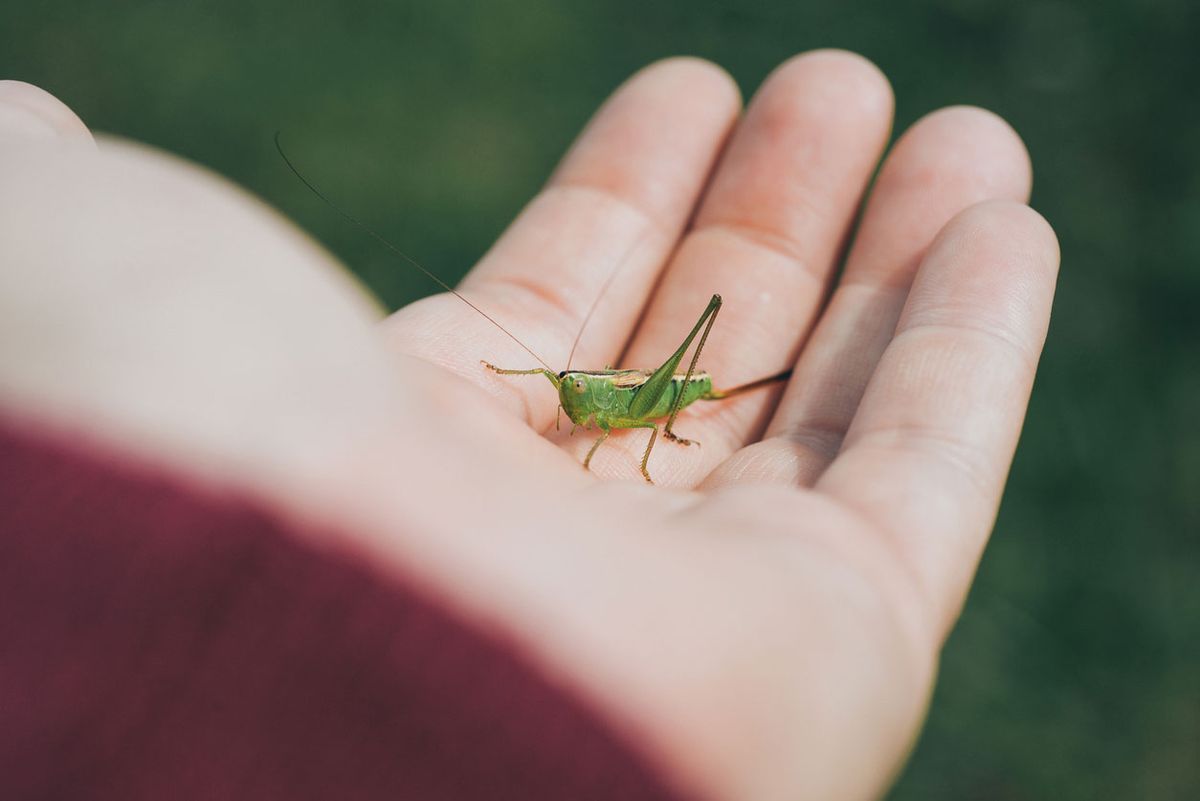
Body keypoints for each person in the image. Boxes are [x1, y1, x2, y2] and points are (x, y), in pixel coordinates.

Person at [0, 50, 1059, 800]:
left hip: (658, 395)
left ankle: (675, 415)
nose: (566, 402)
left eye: (567, 394)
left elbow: (610, 407)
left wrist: (653, 424)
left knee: (654, 384)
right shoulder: (566, 390)